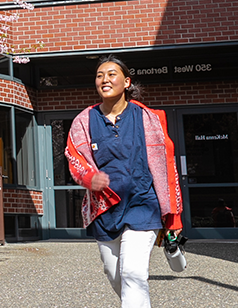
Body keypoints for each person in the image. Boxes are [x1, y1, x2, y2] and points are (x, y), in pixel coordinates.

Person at [65, 56, 183, 308]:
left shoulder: (147, 118)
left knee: (133, 273)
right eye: (99, 75)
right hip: (105, 211)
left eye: (111, 74)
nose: (104, 79)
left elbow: (166, 167)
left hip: (143, 205)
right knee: (116, 275)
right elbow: (73, 157)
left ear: (126, 82)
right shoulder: (83, 121)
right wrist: (89, 177)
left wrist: (173, 217)